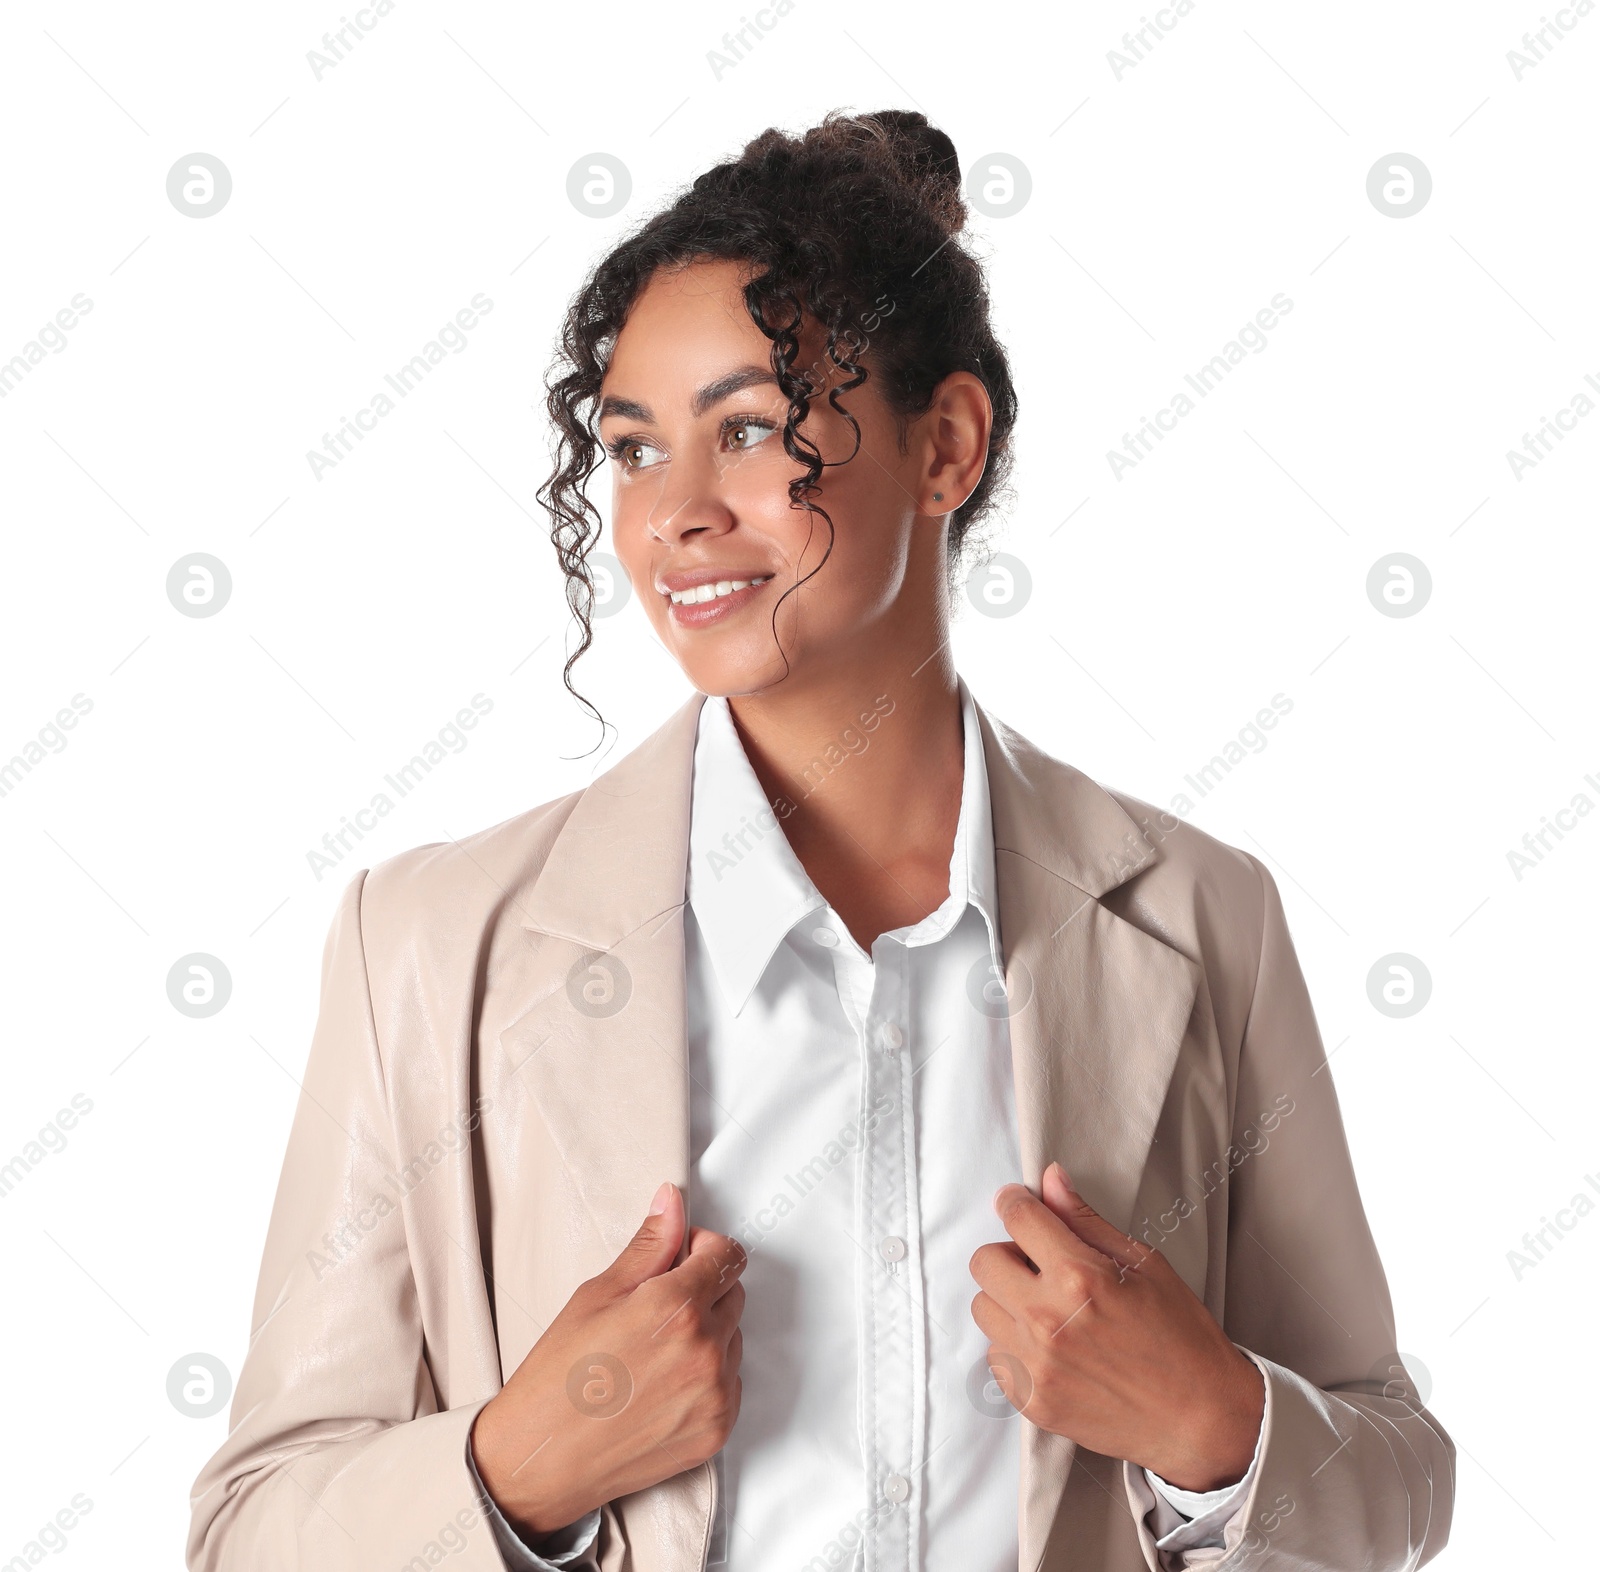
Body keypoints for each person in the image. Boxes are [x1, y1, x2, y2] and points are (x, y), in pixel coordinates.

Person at [187, 109, 1454, 1571]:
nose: (673, 517)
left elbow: (1398, 1472)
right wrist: (519, 1466)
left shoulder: (1201, 916)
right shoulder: (426, 946)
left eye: (744, 430)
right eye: (633, 449)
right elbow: (249, 1526)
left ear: (948, 447)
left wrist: (1215, 1429)